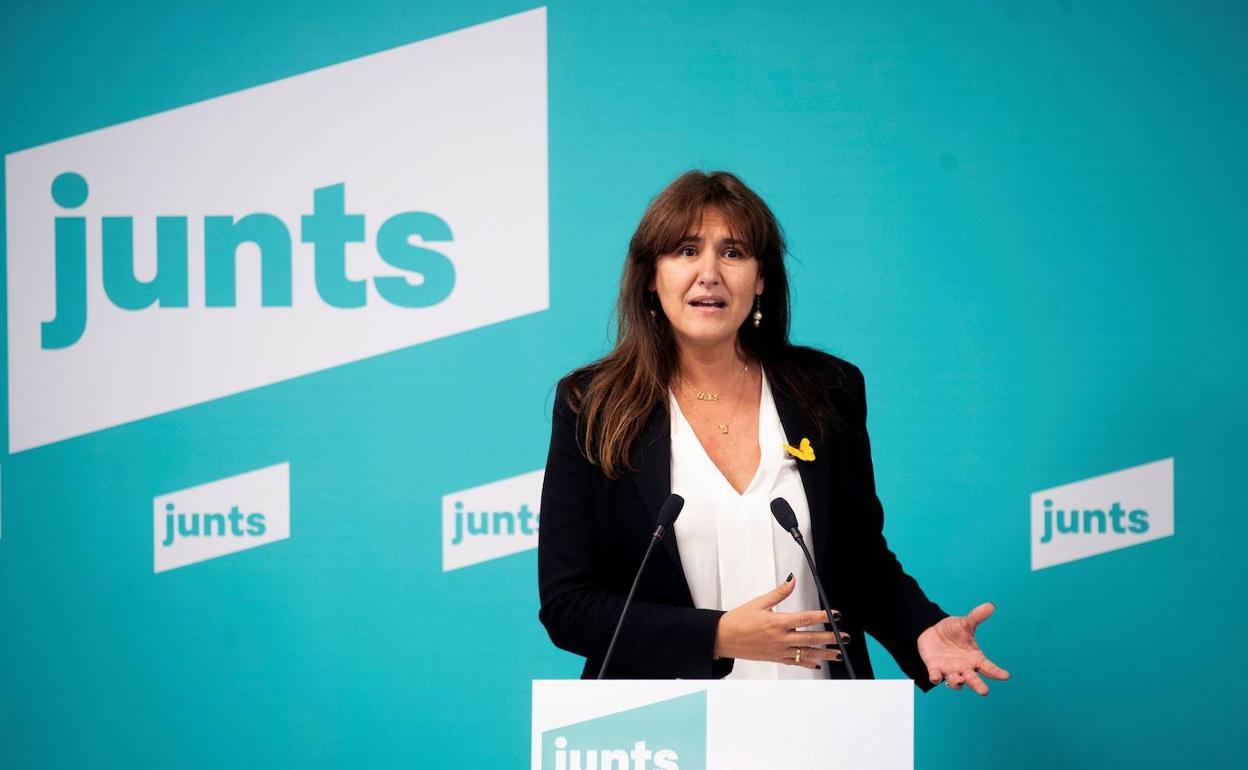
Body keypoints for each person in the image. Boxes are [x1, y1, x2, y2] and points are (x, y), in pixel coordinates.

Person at [537, 170, 1009, 694]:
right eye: (686, 251)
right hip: (663, 724)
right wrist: (718, 636)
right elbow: (568, 605)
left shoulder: (826, 390)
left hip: (818, 717)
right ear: (651, 275)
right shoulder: (593, 406)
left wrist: (922, 629)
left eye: (733, 252)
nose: (709, 274)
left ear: (761, 278)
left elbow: (859, 559)